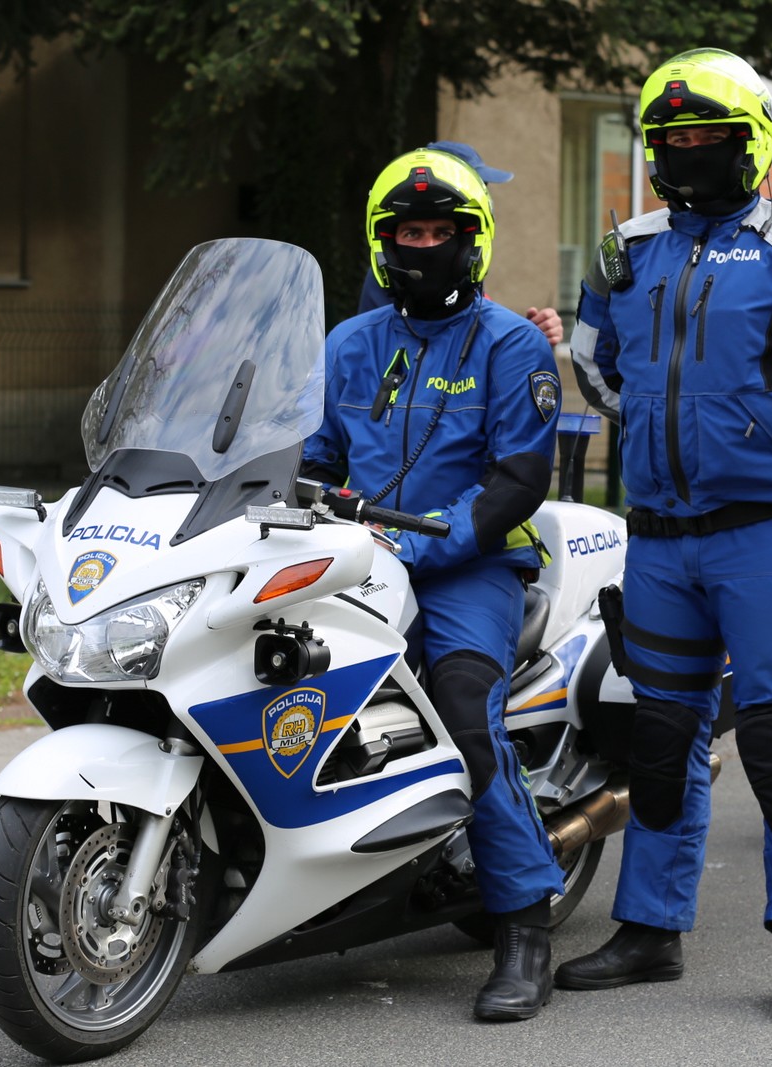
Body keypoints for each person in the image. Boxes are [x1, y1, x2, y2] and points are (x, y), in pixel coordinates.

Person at [562, 48, 772, 1022]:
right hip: (662, 535)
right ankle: (649, 930)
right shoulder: (624, 246)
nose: (686, 148)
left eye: (705, 133)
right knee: (659, 740)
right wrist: (667, 436)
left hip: (769, 536)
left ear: (749, 138)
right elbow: (594, 363)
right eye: (670, 136)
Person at [301, 147, 567, 1021]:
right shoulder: (350, 342)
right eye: (407, 231)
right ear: (384, 244)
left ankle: (523, 920)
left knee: (461, 708)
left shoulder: (511, 342)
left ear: (471, 240)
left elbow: (518, 478)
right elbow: (309, 459)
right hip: (354, 561)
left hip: (471, 567)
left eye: (439, 231)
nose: (422, 244)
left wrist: (423, 544)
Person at [355, 140, 563, 347]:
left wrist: (521, 335)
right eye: (477, 183)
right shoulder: (396, 271)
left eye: (444, 233)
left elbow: (470, 328)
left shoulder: (463, 261)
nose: (482, 193)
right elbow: (399, 344)